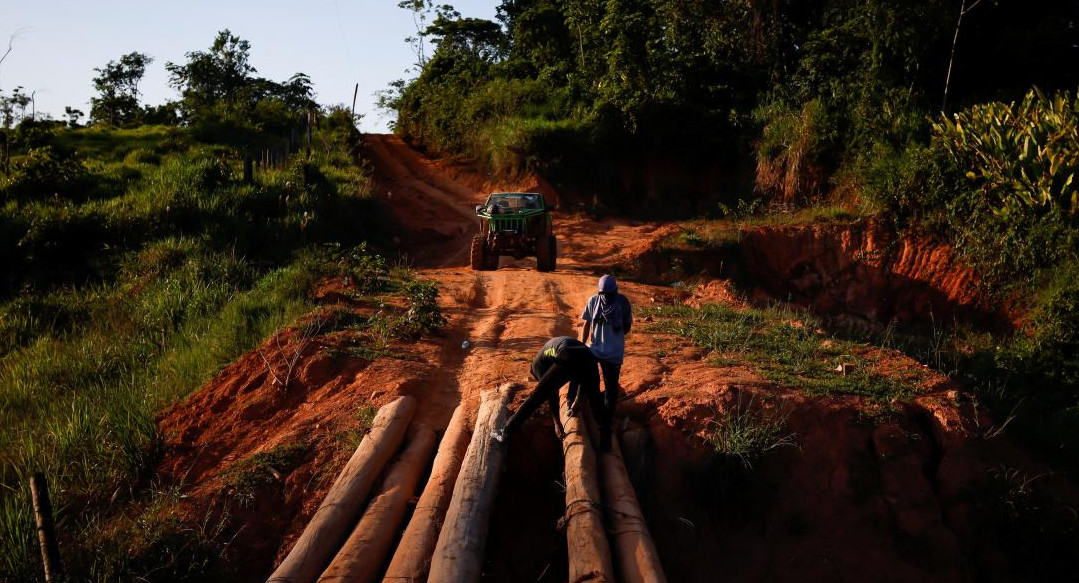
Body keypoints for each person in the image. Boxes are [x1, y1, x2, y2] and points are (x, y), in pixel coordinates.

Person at [491, 336, 610, 449]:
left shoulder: (538, 366)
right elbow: (579, 377)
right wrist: (578, 400)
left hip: (568, 354)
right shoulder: (549, 354)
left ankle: (505, 432)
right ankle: (606, 441)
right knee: (595, 399)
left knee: (535, 397)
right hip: (588, 356)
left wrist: (556, 422)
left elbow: (549, 394)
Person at [580, 274, 632, 445]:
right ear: (615, 290)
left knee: (597, 388)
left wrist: (583, 343)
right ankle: (605, 426)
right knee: (610, 390)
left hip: (595, 351)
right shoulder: (622, 302)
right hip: (613, 354)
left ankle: (600, 422)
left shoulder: (595, 300)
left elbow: (587, 323)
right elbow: (626, 328)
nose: (606, 297)